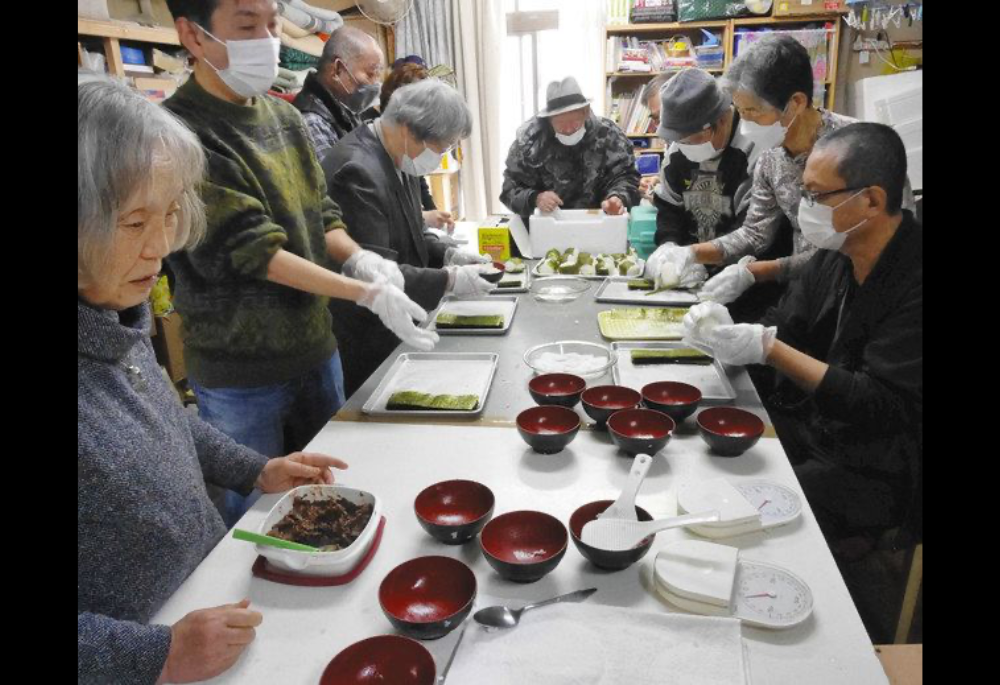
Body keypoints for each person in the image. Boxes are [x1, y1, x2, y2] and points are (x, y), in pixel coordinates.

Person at [78, 74, 349, 684]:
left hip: (207, 599)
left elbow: (165, 421)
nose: (159, 249)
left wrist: (256, 470)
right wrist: (152, 655)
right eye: (131, 224)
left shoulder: (111, 318)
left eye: (169, 216)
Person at [163, 0, 436, 525]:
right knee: (259, 516)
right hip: (241, 370)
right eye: (247, 26)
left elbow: (322, 212)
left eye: (271, 25)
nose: (266, 40)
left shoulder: (285, 117)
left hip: (315, 347)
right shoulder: (180, 132)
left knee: (337, 496)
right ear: (193, 37)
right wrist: (362, 292)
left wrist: (360, 261)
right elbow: (255, 249)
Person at [682, 122, 922, 557]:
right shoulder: (834, 256)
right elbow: (785, 324)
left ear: (871, 200)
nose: (805, 207)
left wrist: (769, 347)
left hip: (880, 463)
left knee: (749, 509)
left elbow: (878, 404)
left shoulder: (913, 277)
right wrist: (721, 332)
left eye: (817, 196)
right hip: (817, 426)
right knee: (706, 454)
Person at [648, 36, 910, 320]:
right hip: (807, 297)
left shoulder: (862, 147)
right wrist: (690, 254)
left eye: (753, 112)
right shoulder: (771, 155)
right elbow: (755, 232)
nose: (744, 123)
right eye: (741, 111)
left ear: (795, 102)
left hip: (873, 299)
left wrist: (756, 272)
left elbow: (879, 246)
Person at [322, 79, 494, 396]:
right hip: (365, 331)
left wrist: (446, 254)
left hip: (398, 318)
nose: (441, 158)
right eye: (440, 148)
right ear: (407, 128)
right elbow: (378, 271)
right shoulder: (356, 171)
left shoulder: (399, 156)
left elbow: (409, 232)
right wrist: (450, 280)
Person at [643, 68, 759, 294]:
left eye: (692, 138)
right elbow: (669, 208)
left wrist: (701, 258)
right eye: (678, 139)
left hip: (740, 277)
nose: (683, 146)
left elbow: (753, 229)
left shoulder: (753, 149)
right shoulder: (678, 149)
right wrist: (668, 246)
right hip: (689, 277)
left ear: (722, 119)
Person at [500, 76, 640, 225]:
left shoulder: (609, 135)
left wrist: (618, 198)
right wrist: (535, 198)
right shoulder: (529, 141)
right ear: (549, 120)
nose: (568, 130)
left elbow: (627, 177)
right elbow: (509, 190)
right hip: (546, 227)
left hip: (598, 224)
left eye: (574, 122)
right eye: (560, 123)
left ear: (585, 112)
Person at [379, 59, 455, 233]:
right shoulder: (370, 160)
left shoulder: (406, 148)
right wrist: (422, 218)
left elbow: (418, 181)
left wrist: (431, 213)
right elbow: (385, 222)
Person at [293, 25, 384, 161]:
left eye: (377, 75)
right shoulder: (312, 123)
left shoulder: (344, 111)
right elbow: (339, 181)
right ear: (337, 70)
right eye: (370, 74)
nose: (376, 83)